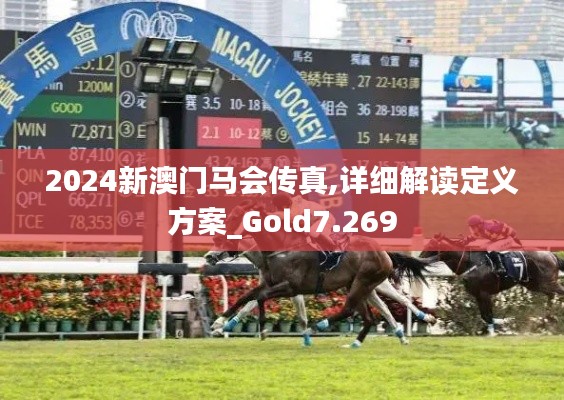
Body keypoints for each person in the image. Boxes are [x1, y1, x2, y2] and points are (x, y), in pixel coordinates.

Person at [271, 193, 344, 265]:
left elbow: (299, 221)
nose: (280, 208)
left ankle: (335, 249)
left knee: (313, 232)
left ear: (284, 203)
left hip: (325, 219)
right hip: (313, 222)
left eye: (280, 206)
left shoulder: (298, 205)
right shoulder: (287, 207)